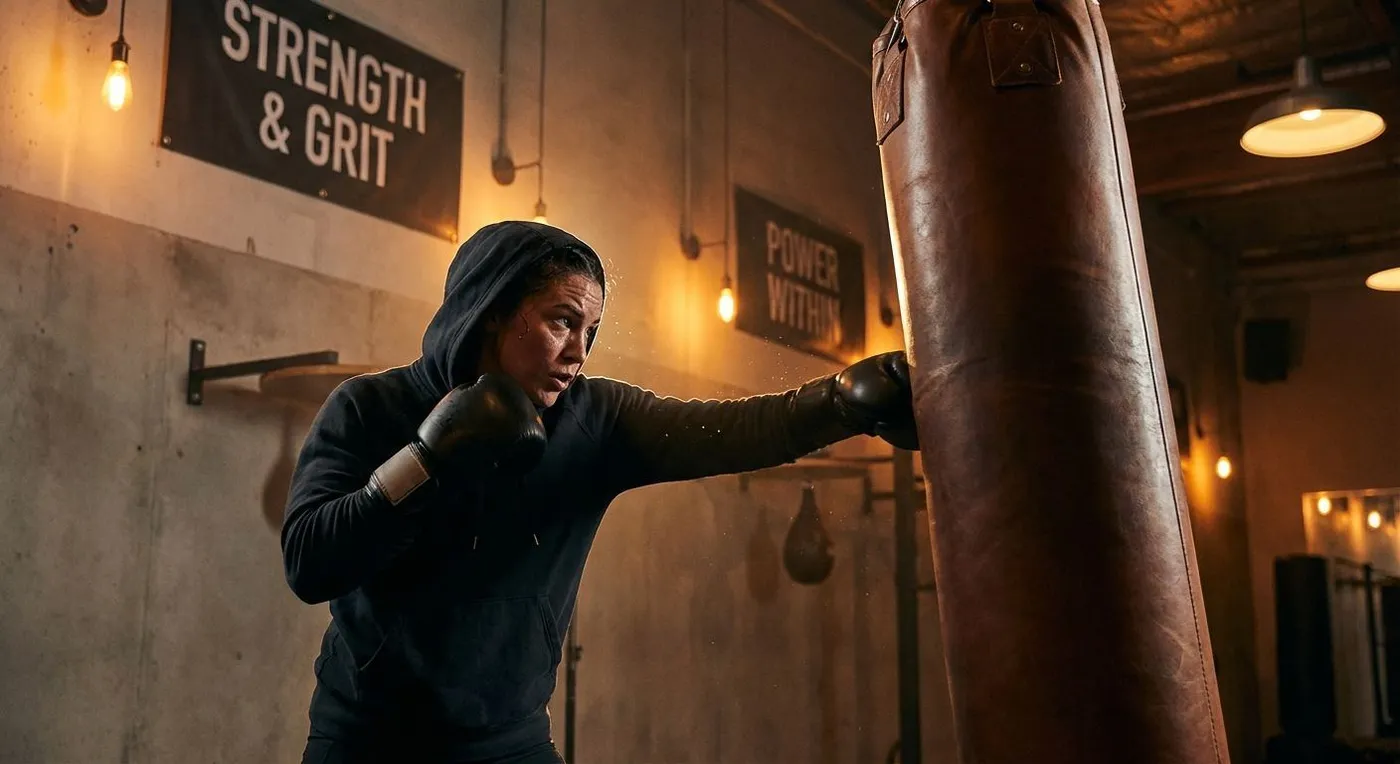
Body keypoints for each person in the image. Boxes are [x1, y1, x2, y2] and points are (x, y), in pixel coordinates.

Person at [282, 221, 918, 763]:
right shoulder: (370, 407)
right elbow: (310, 564)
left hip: (510, 741)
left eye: (590, 332)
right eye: (563, 322)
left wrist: (839, 402)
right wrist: (426, 457)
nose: (577, 352)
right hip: (367, 738)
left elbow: (727, 432)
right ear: (494, 310)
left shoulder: (595, 419)